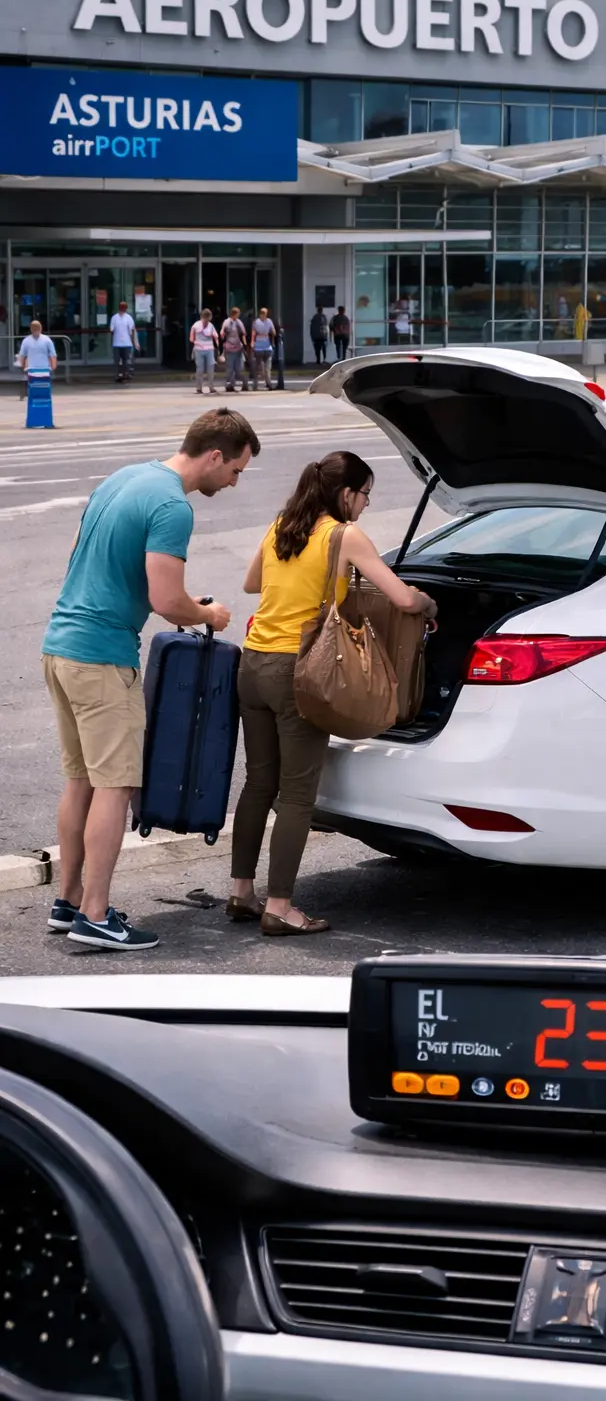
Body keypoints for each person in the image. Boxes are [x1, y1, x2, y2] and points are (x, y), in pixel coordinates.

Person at [41, 409, 260, 952]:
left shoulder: (124, 478)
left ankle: (67, 902)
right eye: (236, 470)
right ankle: (95, 915)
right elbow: (167, 602)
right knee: (116, 786)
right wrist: (208, 614)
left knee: (81, 782)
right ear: (215, 456)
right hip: (101, 658)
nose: (235, 481)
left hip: (61, 646)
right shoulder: (171, 506)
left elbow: (84, 562)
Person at [227, 451, 438, 936]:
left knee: (259, 783)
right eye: (365, 494)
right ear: (346, 494)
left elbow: (251, 582)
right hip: (299, 670)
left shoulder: (284, 523)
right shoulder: (344, 535)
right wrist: (427, 604)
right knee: (297, 794)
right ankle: (280, 906)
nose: (365, 504)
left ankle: (241, 892)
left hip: (254, 663)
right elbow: (403, 598)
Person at [18, 318, 57, 398]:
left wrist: (23, 366)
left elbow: (22, 356)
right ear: (41, 328)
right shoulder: (47, 340)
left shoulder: (26, 341)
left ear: (31, 329)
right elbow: (53, 355)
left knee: (33, 391)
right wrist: (53, 367)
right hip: (45, 370)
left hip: (32, 371)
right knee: (45, 390)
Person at [189, 308, 220, 396]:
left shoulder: (210, 325)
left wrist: (216, 345)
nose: (207, 320)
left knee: (210, 368)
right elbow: (191, 338)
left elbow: (216, 336)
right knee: (200, 369)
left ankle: (210, 387)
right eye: (206, 318)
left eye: (208, 319)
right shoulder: (196, 325)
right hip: (199, 350)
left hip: (209, 349)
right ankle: (199, 388)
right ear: (202, 317)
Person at [109, 301, 140, 384]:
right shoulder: (114, 318)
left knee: (126, 361)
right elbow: (111, 330)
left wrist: (134, 342)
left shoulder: (129, 318)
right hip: (117, 343)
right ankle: (118, 375)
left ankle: (126, 374)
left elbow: (132, 331)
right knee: (117, 361)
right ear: (119, 308)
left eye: (124, 308)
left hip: (127, 343)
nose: (123, 309)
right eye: (122, 307)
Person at [220, 306, 249, 393]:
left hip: (238, 347)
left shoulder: (238, 322)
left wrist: (245, 345)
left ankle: (244, 383)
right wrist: (222, 335)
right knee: (230, 368)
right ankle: (230, 385)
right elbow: (222, 330)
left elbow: (243, 333)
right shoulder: (227, 321)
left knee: (239, 368)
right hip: (229, 347)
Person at [250, 306, 276, 390]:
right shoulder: (258, 322)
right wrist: (252, 342)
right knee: (259, 367)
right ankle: (257, 384)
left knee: (266, 367)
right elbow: (253, 333)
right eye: (263, 314)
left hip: (266, 347)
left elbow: (273, 332)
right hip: (259, 347)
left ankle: (267, 383)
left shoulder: (265, 321)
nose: (264, 316)